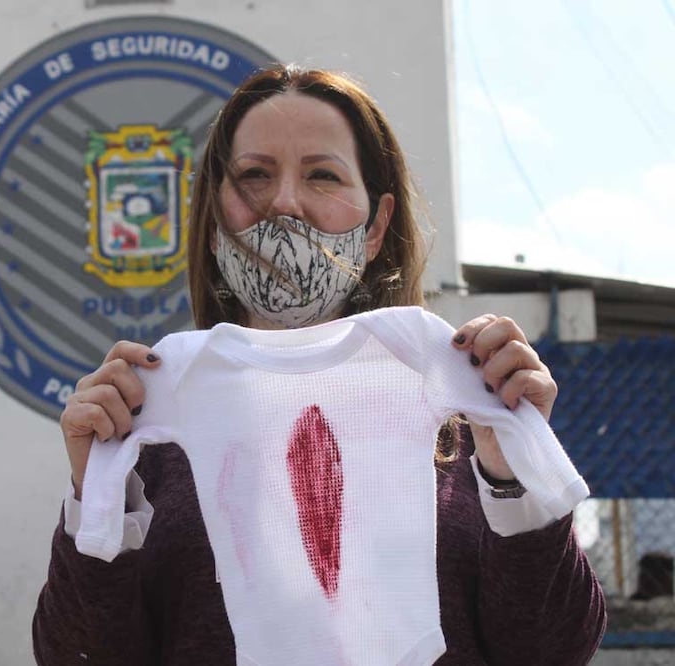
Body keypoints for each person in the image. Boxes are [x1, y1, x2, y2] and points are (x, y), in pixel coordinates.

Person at [33, 64, 606, 664]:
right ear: (212, 223)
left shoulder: (457, 408)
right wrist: (96, 494)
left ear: (378, 224)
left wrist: (512, 473)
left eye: (322, 175)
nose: (284, 202)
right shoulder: (154, 415)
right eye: (253, 175)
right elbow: (78, 656)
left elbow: (555, 650)